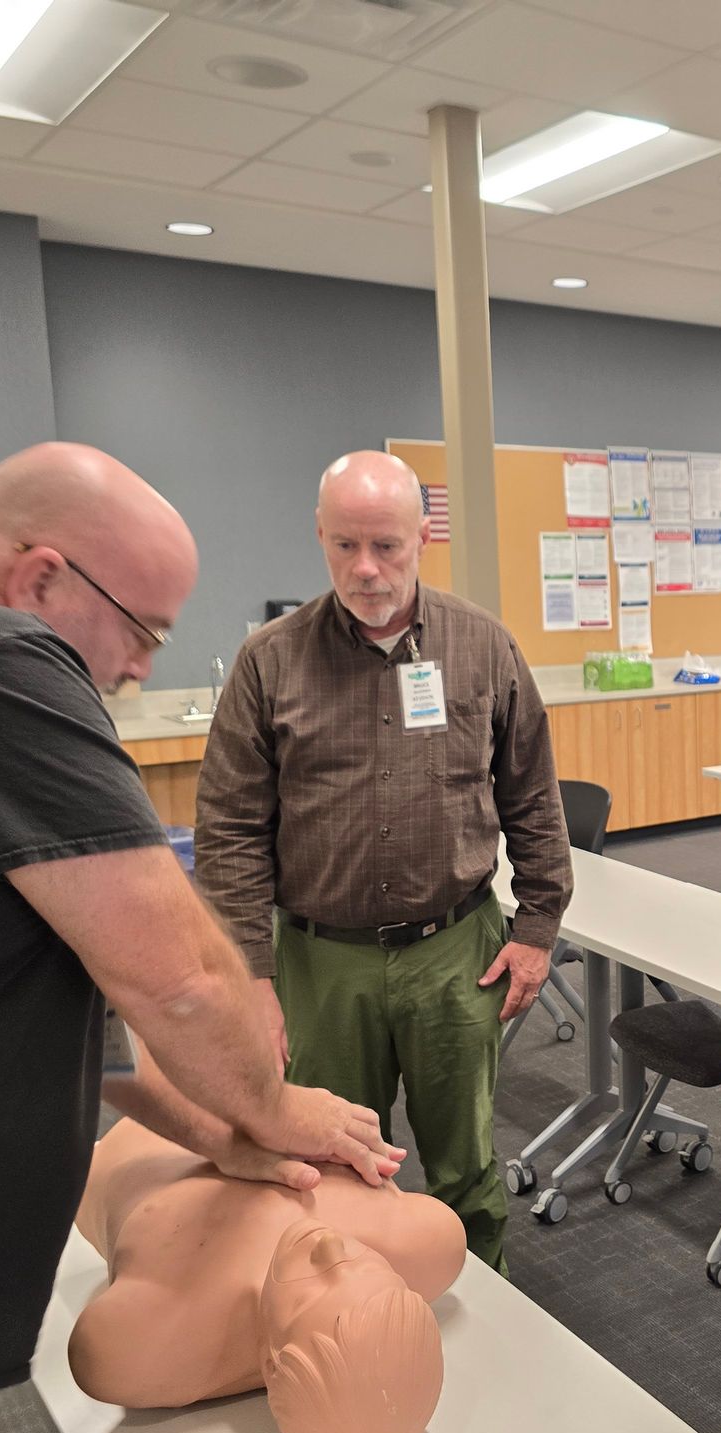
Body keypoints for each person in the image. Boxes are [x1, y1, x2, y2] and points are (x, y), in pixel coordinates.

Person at [0, 443, 402, 1433]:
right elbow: (177, 981)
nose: (139, 669)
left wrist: (223, 1133)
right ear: (40, 580)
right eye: (144, 630)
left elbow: (56, 998)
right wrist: (271, 1104)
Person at [197, 450, 573, 1274]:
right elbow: (228, 832)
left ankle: (484, 1310)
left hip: (455, 953)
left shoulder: (482, 645)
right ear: (320, 537)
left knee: (467, 1169)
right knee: (334, 1168)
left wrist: (538, 928)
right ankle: (352, 1320)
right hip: (321, 963)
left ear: (422, 537)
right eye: (345, 546)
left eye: (386, 546)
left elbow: (533, 797)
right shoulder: (270, 661)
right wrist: (249, 975)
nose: (365, 569)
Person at [71, 1117, 467, 1433]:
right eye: (371, 1270)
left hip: (124, 1143)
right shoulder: (423, 1246)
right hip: (246, 1104)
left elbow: (100, 1356)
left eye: (313, 1291)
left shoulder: (159, 1331)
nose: (330, 1244)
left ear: (269, 1364)